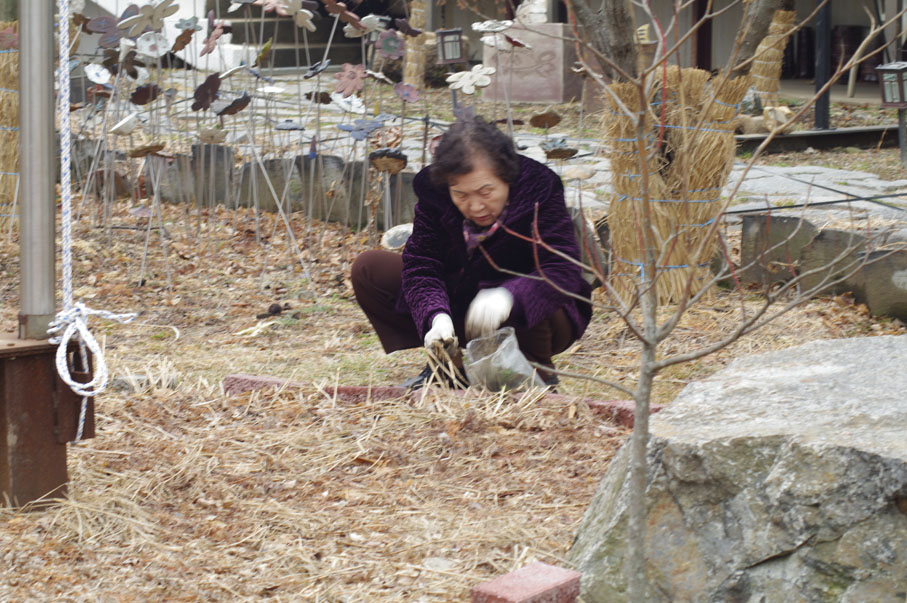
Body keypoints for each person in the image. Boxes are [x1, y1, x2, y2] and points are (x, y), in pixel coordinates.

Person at [351, 115, 592, 389]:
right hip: (465, 304)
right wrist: (436, 316)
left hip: (537, 318)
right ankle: (449, 368)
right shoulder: (436, 193)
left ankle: (536, 373)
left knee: (527, 286)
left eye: (486, 192)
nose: (475, 206)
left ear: (507, 177)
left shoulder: (539, 190)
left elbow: (562, 269)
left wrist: (510, 296)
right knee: (369, 268)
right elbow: (422, 263)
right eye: (461, 195)